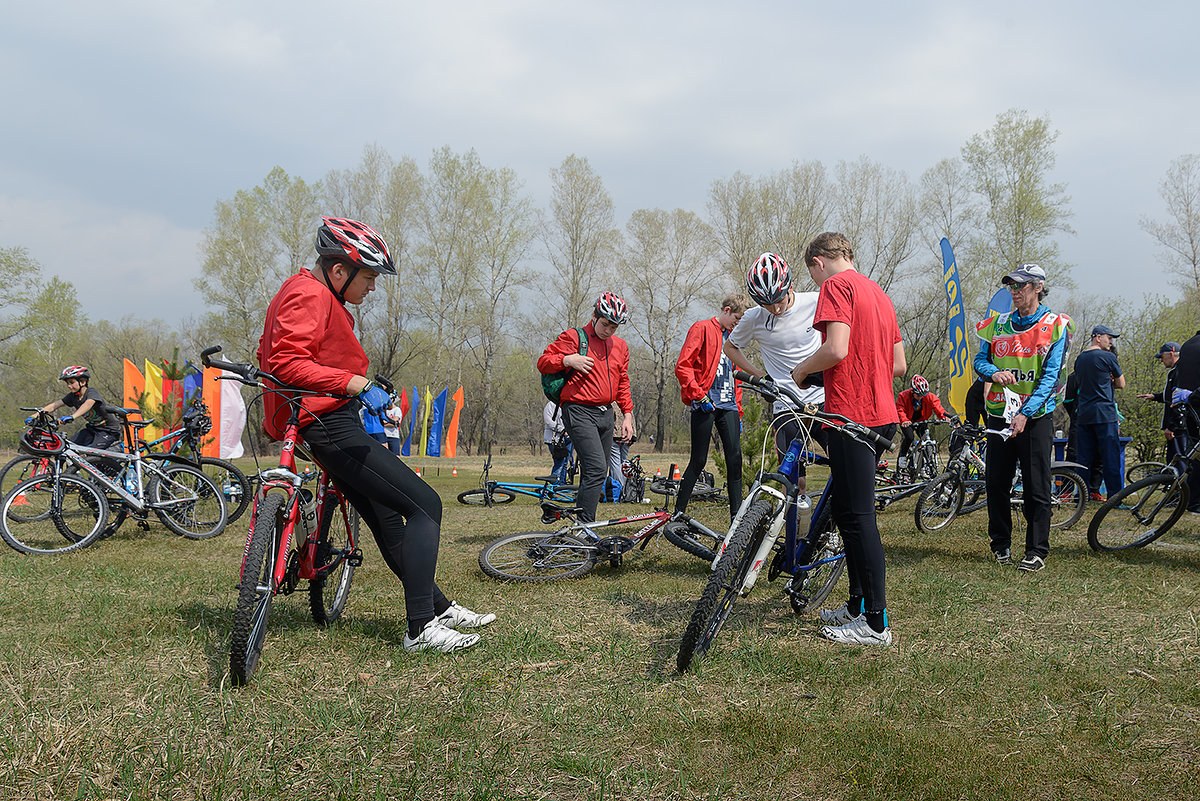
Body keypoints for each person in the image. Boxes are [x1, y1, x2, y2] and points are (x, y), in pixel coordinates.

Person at [258, 216, 493, 654]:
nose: (372, 287)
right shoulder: (308, 293)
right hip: (329, 424)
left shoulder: (312, 293)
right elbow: (287, 362)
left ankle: (437, 608)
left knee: (386, 519)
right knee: (427, 504)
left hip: (326, 422)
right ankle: (420, 628)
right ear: (339, 270)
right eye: (368, 277)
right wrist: (357, 385)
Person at [792, 232, 904, 648]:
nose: (817, 285)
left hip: (853, 417)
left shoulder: (837, 286)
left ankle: (876, 624)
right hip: (882, 416)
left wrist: (804, 370)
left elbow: (836, 349)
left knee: (859, 519)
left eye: (813, 276)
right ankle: (857, 606)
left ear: (818, 262)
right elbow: (897, 365)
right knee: (846, 511)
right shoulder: (880, 294)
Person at [973, 263, 1073, 573]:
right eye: (1011, 286)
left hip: (1036, 417)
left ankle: (1036, 549)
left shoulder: (1056, 325)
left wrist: (1026, 414)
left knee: (1036, 486)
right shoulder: (996, 324)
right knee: (996, 483)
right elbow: (980, 359)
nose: (1015, 291)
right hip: (999, 413)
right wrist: (994, 371)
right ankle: (1000, 543)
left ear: (1038, 288)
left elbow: (1051, 377)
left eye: (1022, 286)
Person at [725, 253, 826, 502]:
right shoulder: (753, 318)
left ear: (790, 286)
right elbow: (730, 348)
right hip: (786, 404)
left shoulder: (814, 301)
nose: (775, 309)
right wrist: (760, 376)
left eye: (778, 300)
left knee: (844, 470)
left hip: (823, 400)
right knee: (794, 481)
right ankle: (793, 537)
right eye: (766, 304)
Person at [537, 292, 635, 523]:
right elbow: (543, 361)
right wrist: (567, 360)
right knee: (597, 468)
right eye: (605, 324)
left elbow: (623, 381)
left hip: (606, 414)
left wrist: (627, 415)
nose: (609, 330)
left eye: (614, 326)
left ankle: (579, 524)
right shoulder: (574, 337)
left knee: (595, 474)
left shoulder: (620, 346)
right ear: (594, 315)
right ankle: (585, 528)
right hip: (578, 410)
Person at [674, 293, 752, 519]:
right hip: (705, 403)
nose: (737, 323)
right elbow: (683, 366)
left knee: (735, 459)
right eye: (736, 318)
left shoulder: (733, 338)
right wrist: (699, 395)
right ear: (726, 310)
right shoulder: (701, 328)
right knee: (698, 460)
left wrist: (738, 408)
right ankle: (679, 512)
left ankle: (736, 517)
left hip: (729, 406)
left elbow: (735, 374)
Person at [1073, 324, 1126, 499]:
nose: (1111, 342)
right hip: (1104, 413)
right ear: (1098, 337)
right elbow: (1121, 384)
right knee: (1110, 457)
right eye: (1109, 338)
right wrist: (1110, 380)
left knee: (1084, 459)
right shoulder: (1107, 357)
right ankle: (1115, 497)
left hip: (1084, 414)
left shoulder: (1080, 359)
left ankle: (1081, 496)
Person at [39, 365, 122, 452]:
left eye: (71, 382)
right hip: (92, 430)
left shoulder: (91, 392)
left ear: (82, 382)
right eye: (67, 383)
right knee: (66, 447)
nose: (68, 386)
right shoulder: (73, 396)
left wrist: (73, 416)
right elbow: (55, 405)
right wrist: (35, 415)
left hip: (109, 431)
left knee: (91, 453)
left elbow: (88, 403)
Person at [894, 375, 952, 478]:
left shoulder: (930, 396)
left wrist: (944, 418)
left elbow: (938, 408)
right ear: (912, 391)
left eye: (923, 395)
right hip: (907, 421)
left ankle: (925, 466)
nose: (921, 397)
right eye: (918, 395)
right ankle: (903, 456)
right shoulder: (903, 396)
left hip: (922, 420)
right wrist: (904, 420)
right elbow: (900, 409)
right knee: (909, 437)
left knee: (926, 440)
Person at [1137, 342, 1184, 462]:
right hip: (1177, 428)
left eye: (1162, 357)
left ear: (1171, 354)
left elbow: (1179, 401)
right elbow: (1169, 396)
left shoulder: (1179, 371)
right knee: (1173, 462)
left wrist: (1172, 427)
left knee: (1178, 462)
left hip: (1178, 429)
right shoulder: (1175, 371)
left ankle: (1179, 481)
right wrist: (1154, 396)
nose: (1161, 361)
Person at [542, 400, 571, 484]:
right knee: (559, 462)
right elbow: (548, 421)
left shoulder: (568, 404)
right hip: (554, 439)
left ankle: (562, 484)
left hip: (568, 438)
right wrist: (561, 429)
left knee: (565, 462)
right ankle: (554, 485)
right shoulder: (551, 405)